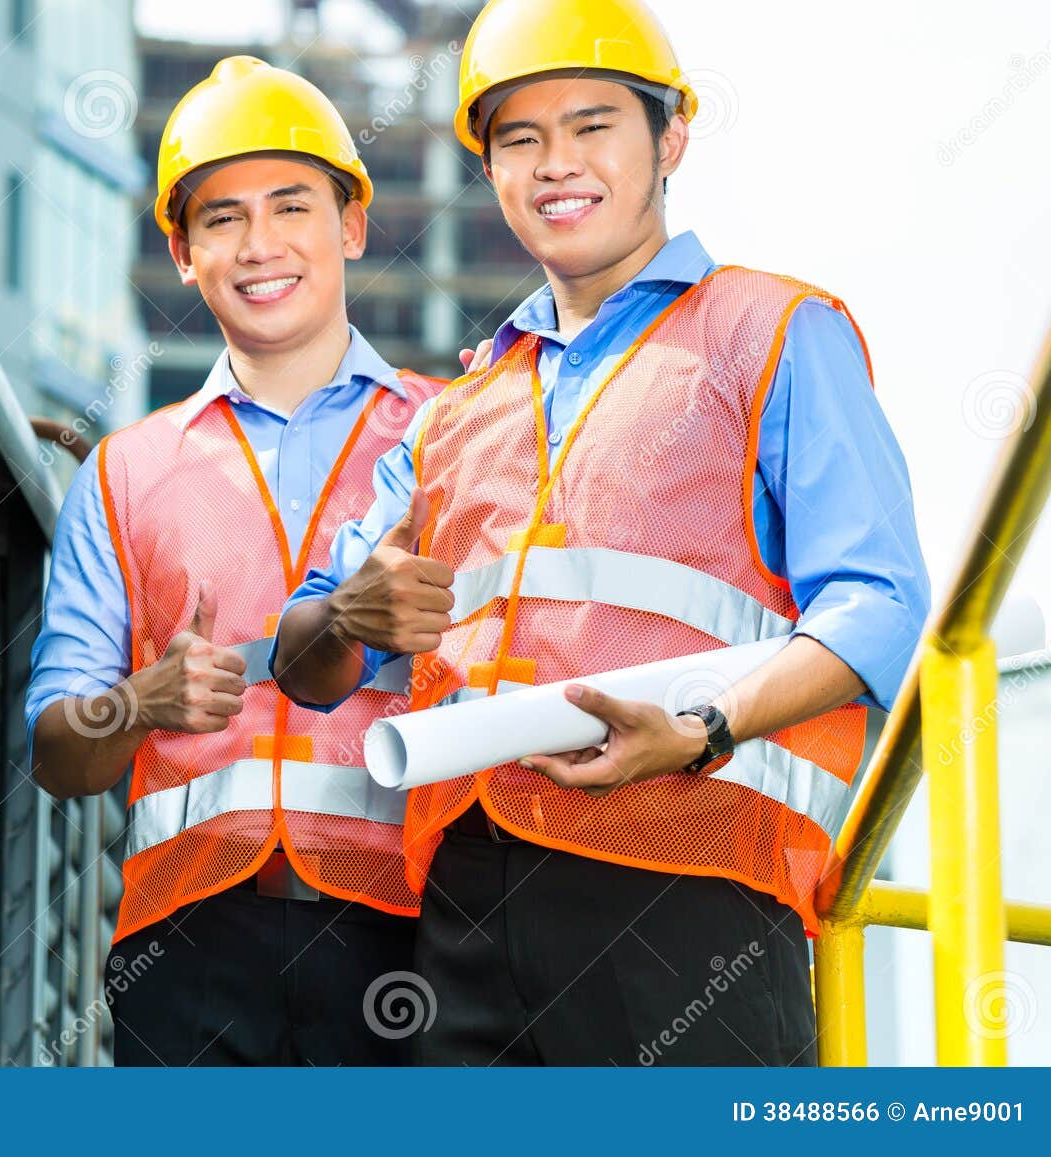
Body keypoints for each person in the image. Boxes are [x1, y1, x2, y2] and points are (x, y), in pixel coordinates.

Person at [273, 0, 930, 1066]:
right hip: (465, 916)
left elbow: (880, 606)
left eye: (591, 126)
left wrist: (704, 725)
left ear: (669, 137)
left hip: (687, 887)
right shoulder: (452, 415)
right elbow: (304, 660)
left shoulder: (770, 331)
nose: (554, 164)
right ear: (488, 171)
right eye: (519, 139)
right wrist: (342, 612)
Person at [27, 56, 444, 1065]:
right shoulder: (127, 471)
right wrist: (140, 702)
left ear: (349, 225)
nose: (259, 245)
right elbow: (55, 750)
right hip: (187, 956)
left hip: (415, 931)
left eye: (290, 206)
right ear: (182, 251)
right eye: (221, 218)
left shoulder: (456, 431)